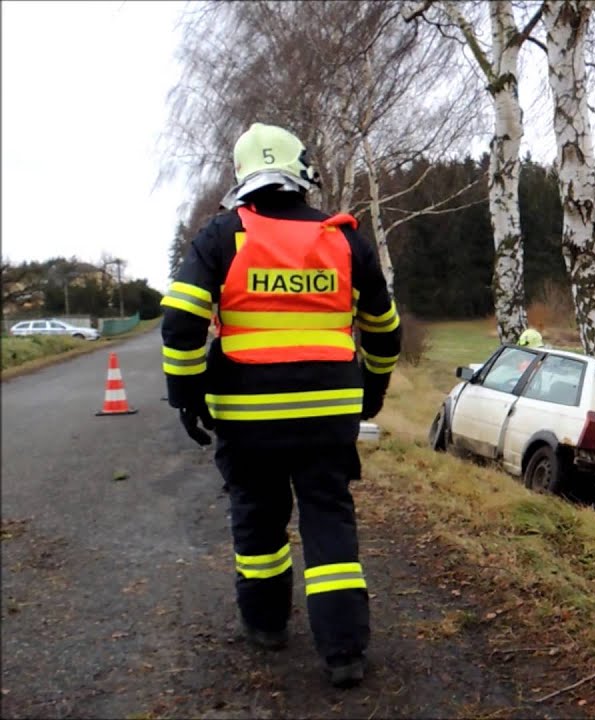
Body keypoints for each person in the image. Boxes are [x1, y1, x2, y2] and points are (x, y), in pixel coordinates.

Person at [160, 122, 401, 689]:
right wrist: (374, 390)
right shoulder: (345, 238)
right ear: (303, 171)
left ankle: (266, 626)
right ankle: (344, 653)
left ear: (242, 177)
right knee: (328, 520)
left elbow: (180, 323)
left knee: (257, 516)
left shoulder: (222, 235)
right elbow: (385, 332)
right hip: (328, 415)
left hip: (247, 420)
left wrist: (186, 395)